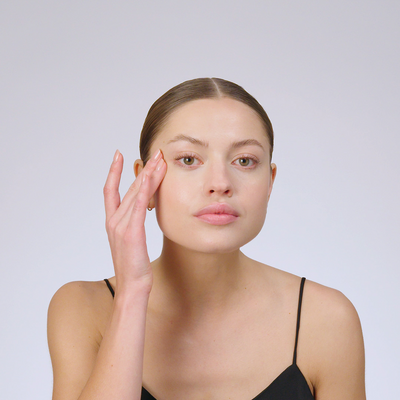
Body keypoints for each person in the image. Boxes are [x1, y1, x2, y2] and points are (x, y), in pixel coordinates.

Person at [47, 78, 366, 400]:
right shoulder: (83, 308)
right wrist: (132, 294)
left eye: (244, 160)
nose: (220, 183)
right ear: (145, 180)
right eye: (188, 159)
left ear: (269, 182)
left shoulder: (326, 319)